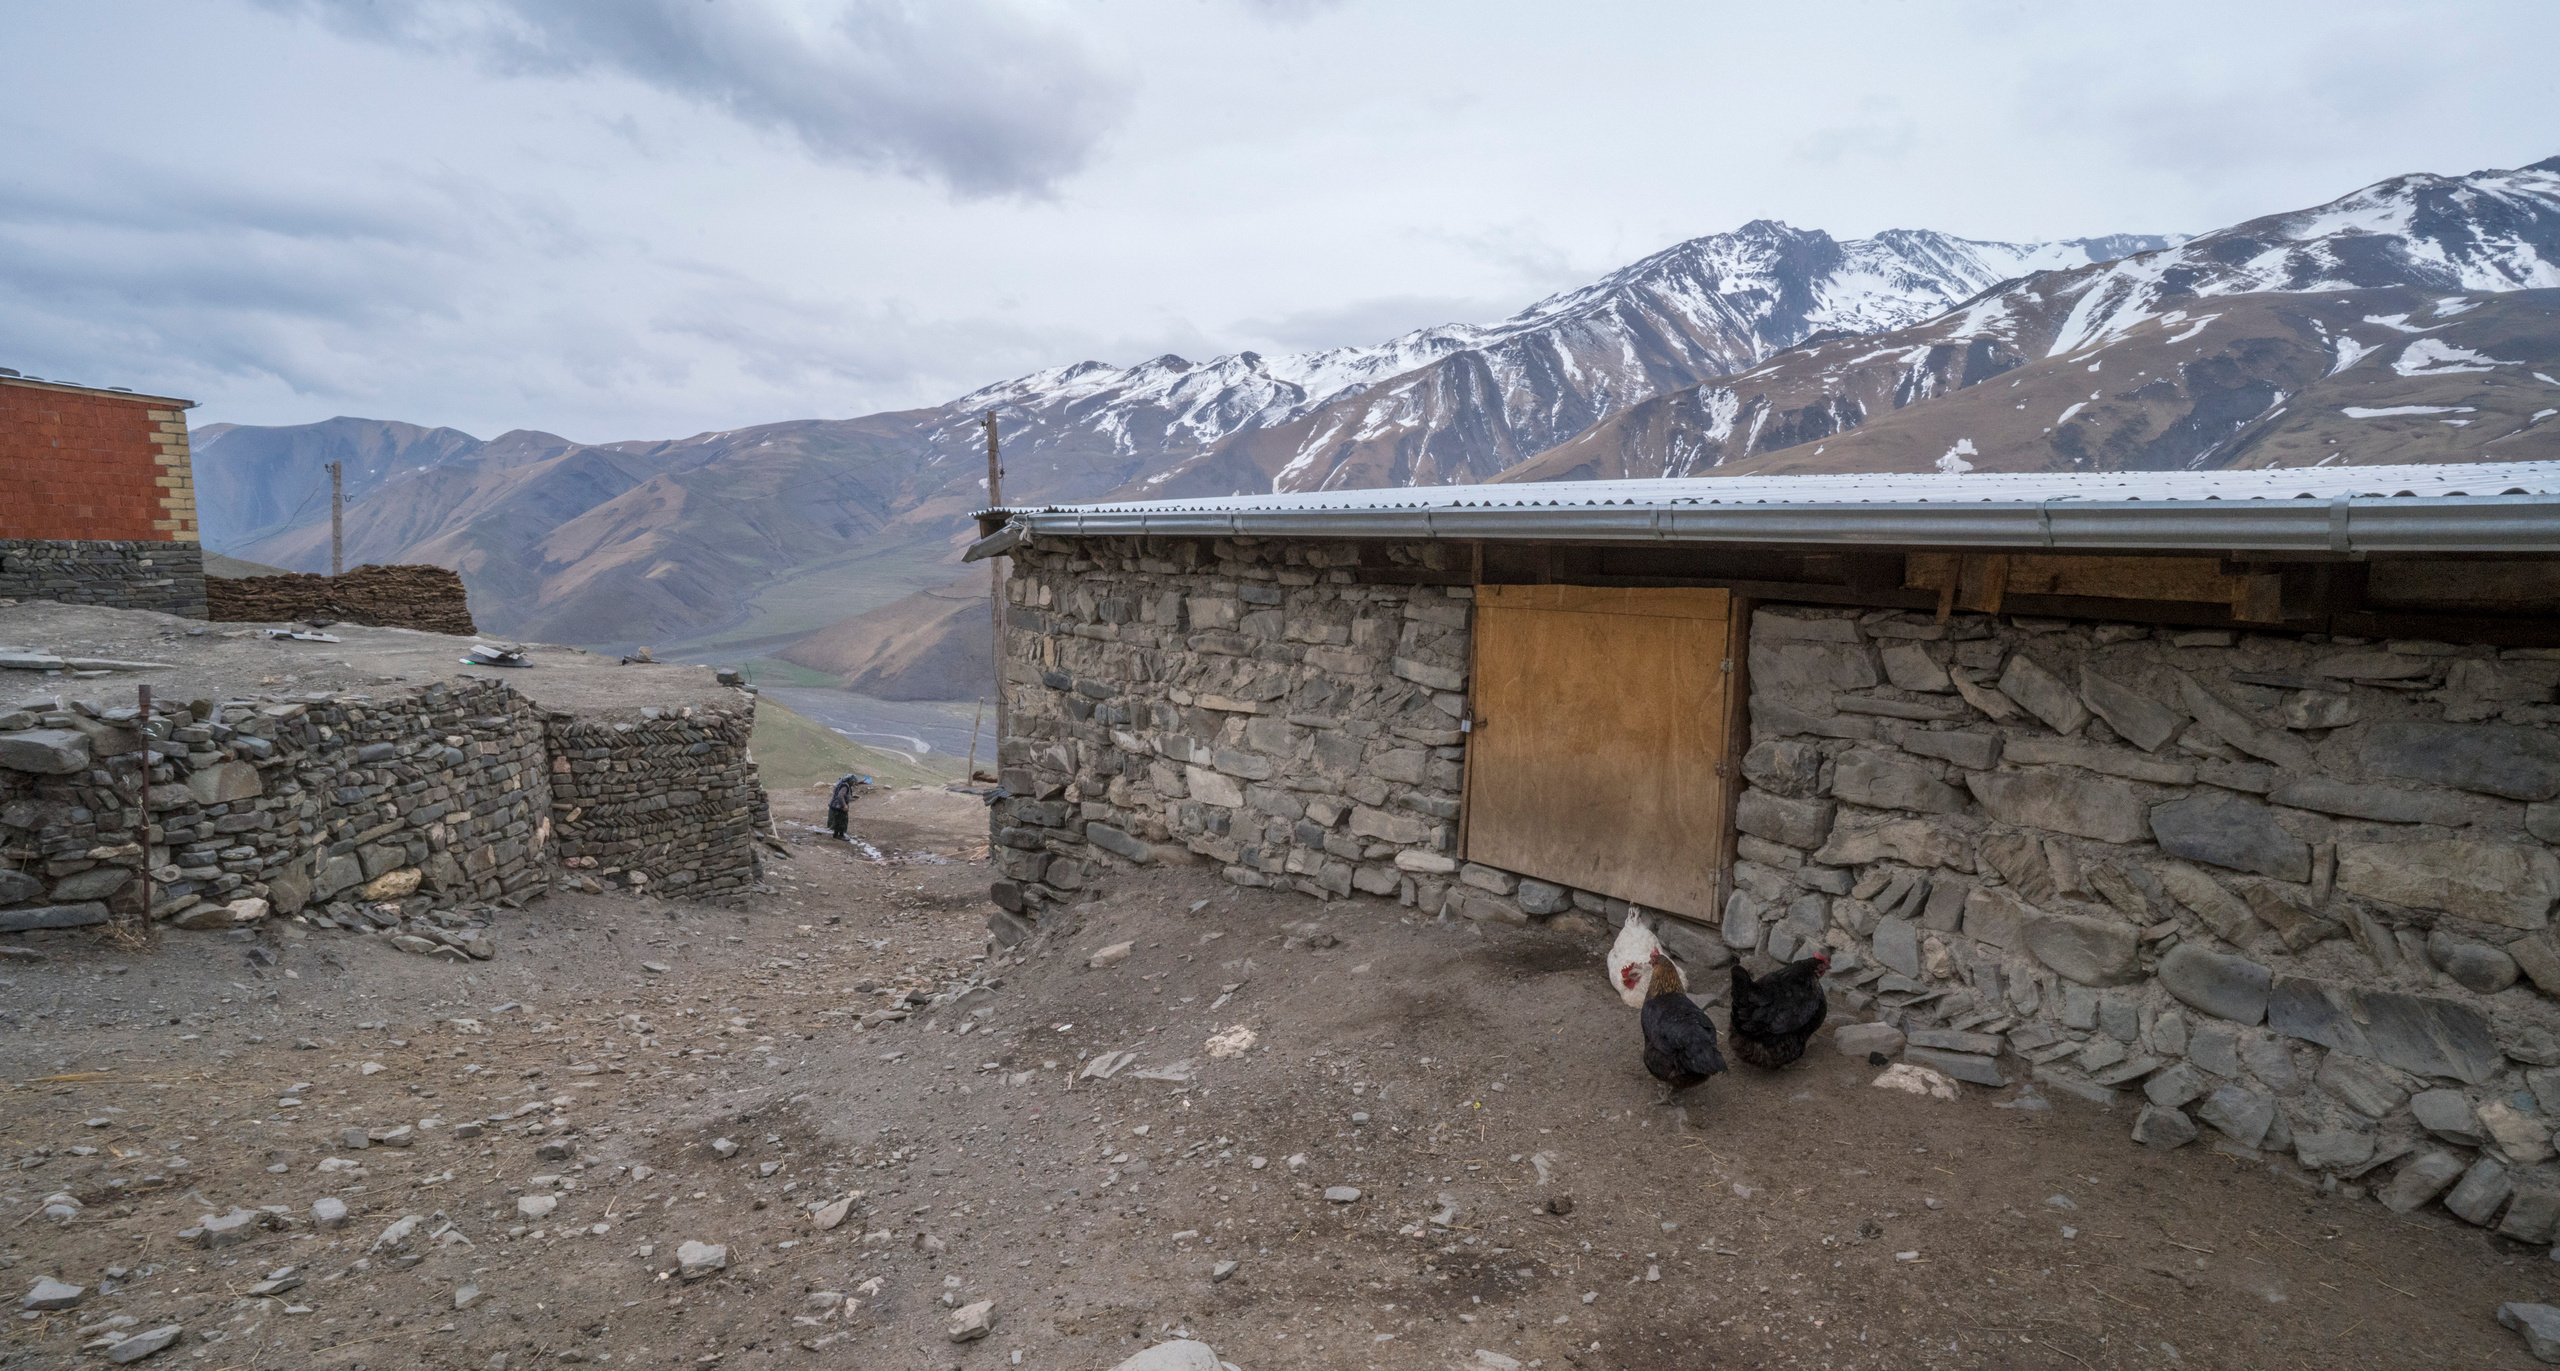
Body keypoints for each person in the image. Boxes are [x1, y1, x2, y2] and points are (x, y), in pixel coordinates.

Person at [827, 773, 858, 841]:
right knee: (842, 820)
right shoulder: (845, 786)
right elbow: (840, 795)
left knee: (837, 820)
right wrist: (844, 805)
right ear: (849, 781)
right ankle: (840, 835)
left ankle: (836, 834)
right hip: (838, 806)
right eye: (853, 782)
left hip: (834, 805)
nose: (853, 783)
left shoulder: (840, 783)